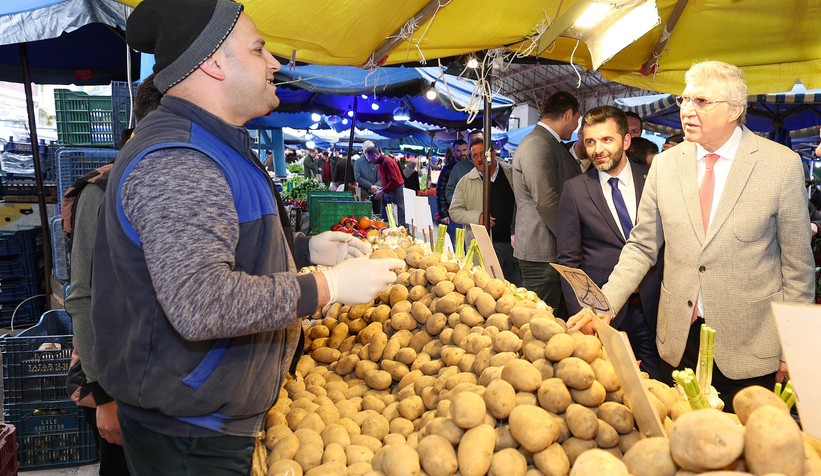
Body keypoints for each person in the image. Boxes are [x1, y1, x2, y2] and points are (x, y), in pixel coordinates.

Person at [90, 1, 403, 473]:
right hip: (190, 434)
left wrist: (300, 250)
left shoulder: (215, 143)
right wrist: (327, 286)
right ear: (213, 63)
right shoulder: (179, 159)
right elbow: (200, 301)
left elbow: (216, 247)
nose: (275, 63)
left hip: (207, 417)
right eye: (258, 49)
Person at [569, 61, 814, 413]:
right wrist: (604, 304)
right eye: (684, 100)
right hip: (679, 339)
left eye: (701, 102)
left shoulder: (781, 165)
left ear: (734, 110)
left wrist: (795, 346)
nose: (686, 111)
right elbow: (641, 245)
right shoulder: (666, 165)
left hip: (749, 346)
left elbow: (797, 266)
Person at [64, 74, 163, 476]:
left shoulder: (168, 183)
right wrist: (104, 397)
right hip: (117, 386)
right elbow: (83, 298)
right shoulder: (103, 191)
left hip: (161, 387)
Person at [557, 106, 662, 380]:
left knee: (659, 386)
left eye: (607, 140)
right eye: (590, 141)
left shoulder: (653, 178)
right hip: (604, 313)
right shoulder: (576, 189)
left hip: (655, 306)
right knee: (611, 385)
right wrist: (583, 314)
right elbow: (568, 261)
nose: (597, 149)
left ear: (626, 141)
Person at [512, 91, 583, 319]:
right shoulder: (537, 143)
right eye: (576, 121)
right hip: (541, 252)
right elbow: (547, 200)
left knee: (555, 320)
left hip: (551, 251)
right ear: (568, 114)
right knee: (540, 322)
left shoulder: (549, 142)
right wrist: (570, 241)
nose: (575, 128)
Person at [450, 137, 521, 286]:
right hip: (485, 246)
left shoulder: (511, 174)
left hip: (514, 245)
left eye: (483, 154)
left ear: (493, 154)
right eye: (474, 156)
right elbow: (454, 211)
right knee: (489, 288)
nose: (479, 159)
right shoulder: (465, 182)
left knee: (515, 288)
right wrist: (478, 217)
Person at [363, 140, 405, 225]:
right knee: (387, 214)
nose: (369, 160)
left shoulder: (387, 162)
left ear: (374, 155)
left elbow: (394, 181)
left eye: (369, 158)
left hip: (396, 191)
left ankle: (403, 232)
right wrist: (381, 189)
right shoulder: (379, 163)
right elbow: (386, 179)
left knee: (398, 215)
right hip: (389, 190)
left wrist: (383, 191)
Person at [445, 131, 483, 206]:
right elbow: (449, 192)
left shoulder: (496, 163)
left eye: (479, 140)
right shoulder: (458, 167)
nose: (476, 143)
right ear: (468, 145)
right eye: (472, 141)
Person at [436, 139, 469, 224]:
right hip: (453, 213)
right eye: (458, 151)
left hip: (470, 213)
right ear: (454, 153)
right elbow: (440, 192)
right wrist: (443, 214)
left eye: (464, 150)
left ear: (468, 150)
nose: (462, 153)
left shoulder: (473, 167)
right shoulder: (447, 170)